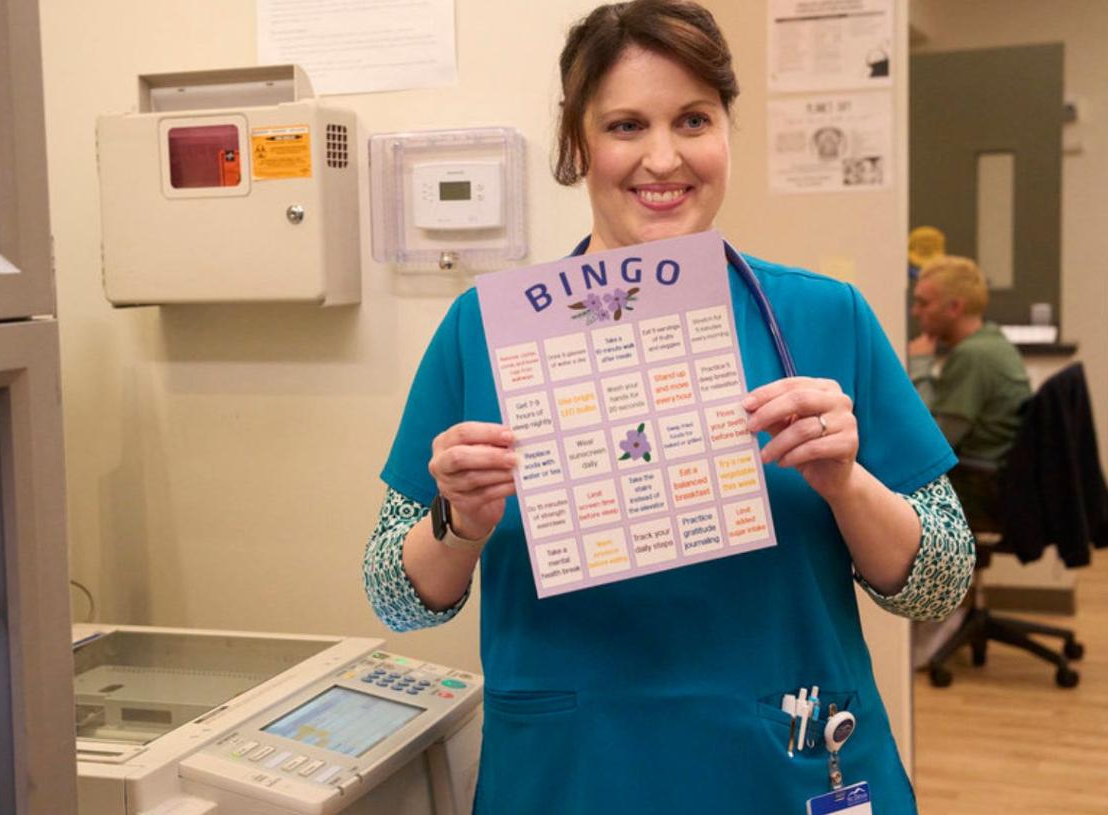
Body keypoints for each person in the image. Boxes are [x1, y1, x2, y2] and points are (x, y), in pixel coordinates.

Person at [363, 2, 975, 812]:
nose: (662, 158)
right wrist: (459, 522)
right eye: (624, 125)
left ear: (725, 129)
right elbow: (393, 594)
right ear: (576, 142)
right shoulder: (483, 331)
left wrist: (847, 483)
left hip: (784, 766)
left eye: (693, 119)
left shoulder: (824, 318)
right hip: (572, 772)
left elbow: (941, 581)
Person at [907, 255, 1031, 516]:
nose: (915, 312)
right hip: (995, 476)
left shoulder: (973, 357)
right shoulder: (992, 340)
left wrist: (919, 365)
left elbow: (934, 441)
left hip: (978, 486)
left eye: (923, 303)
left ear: (954, 307)